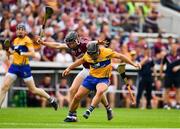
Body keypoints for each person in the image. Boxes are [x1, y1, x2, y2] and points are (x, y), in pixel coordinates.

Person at [38, 31, 113, 120]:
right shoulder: (71, 46)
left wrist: (98, 42)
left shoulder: (84, 44)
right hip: (86, 70)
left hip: (95, 70)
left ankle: (108, 108)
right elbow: (58, 45)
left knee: (98, 91)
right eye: (68, 42)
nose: (69, 44)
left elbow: (90, 43)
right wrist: (44, 43)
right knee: (72, 90)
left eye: (71, 42)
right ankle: (72, 114)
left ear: (76, 41)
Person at [62, 42, 141, 122]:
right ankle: (71, 115)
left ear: (98, 51)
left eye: (94, 55)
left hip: (103, 79)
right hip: (91, 78)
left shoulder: (106, 52)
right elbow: (80, 61)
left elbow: (121, 56)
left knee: (100, 91)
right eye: (91, 55)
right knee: (77, 96)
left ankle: (89, 110)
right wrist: (69, 68)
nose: (92, 57)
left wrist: (133, 64)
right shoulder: (88, 55)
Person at [0, 24, 58, 110]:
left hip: (24, 67)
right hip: (14, 66)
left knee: (33, 89)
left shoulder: (27, 41)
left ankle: (50, 99)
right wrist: (8, 51)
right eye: (18, 29)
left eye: (22, 29)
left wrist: (22, 53)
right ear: (16, 31)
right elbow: (13, 53)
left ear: (25, 31)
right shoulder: (15, 40)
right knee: (4, 87)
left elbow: (33, 53)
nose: (20, 31)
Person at [160, 43, 180, 109]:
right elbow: (162, 64)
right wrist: (161, 72)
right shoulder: (167, 56)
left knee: (178, 89)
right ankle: (165, 104)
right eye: (172, 47)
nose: (174, 48)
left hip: (177, 75)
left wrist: (178, 67)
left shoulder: (179, 56)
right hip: (168, 74)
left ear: (177, 48)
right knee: (167, 89)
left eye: (175, 47)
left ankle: (178, 104)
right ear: (171, 48)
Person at [136, 45, 156, 109]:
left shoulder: (150, 59)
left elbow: (153, 67)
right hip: (142, 76)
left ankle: (148, 104)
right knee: (140, 91)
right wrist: (145, 59)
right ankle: (137, 103)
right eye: (145, 49)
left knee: (149, 91)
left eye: (148, 49)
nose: (147, 51)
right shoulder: (140, 57)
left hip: (149, 76)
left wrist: (155, 75)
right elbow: (138, 65)